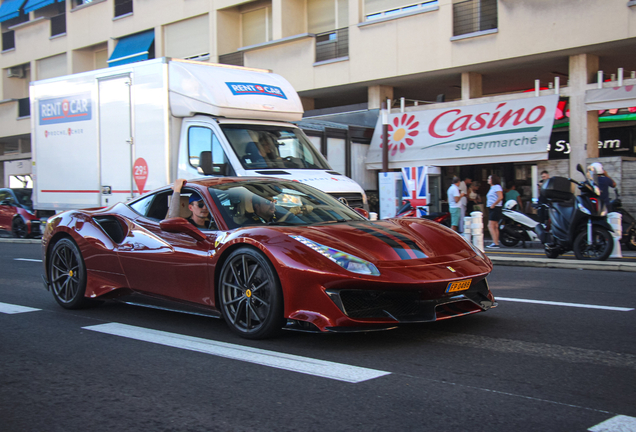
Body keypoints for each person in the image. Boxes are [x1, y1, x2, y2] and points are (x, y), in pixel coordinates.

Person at [246, 194, 313, 225]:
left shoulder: (277, 215)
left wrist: (305, 213)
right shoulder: (249, 221)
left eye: (274, 201)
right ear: (257, 206)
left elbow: (302, 224)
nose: (272, 205)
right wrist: (288, 214)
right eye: (267, 202)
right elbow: (270, 232)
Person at [486, 174, 504, 248]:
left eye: (489, 179)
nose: (488, 180)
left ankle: (495, 242)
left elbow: (500, 197)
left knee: (490, 225)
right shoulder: (492, 187)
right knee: (495, 226)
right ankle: (496, 242)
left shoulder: (497, 187)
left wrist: (494, 204)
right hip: (493, 207)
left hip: (495, 207)